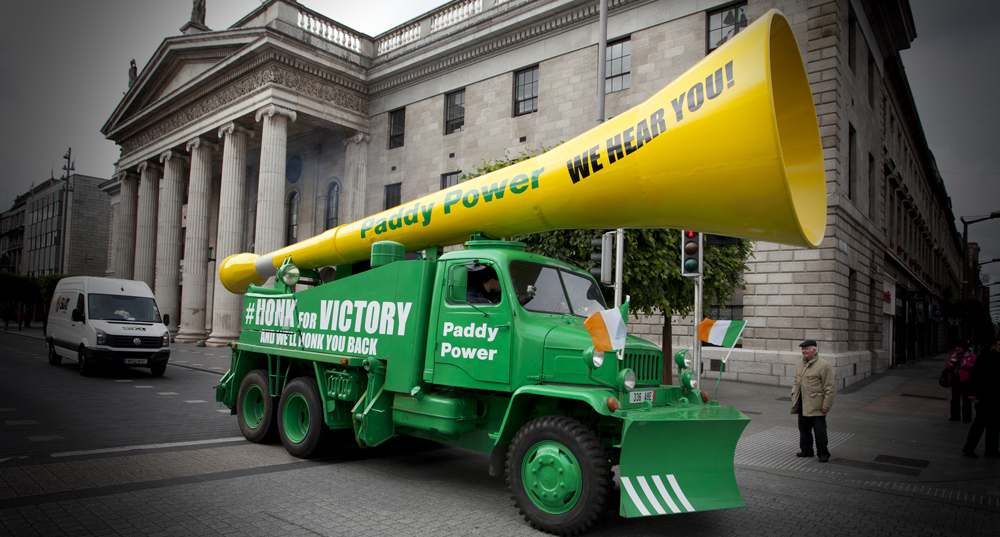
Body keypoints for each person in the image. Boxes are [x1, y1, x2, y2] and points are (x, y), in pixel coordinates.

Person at [791, 339, 836, 462]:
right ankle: (806, 450)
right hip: (802, 403)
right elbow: (796, 381)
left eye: (806, 349)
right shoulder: (800, 363)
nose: (803, 351)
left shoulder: (823, 365)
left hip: (816, 404)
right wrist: (794, 394)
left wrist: (827, 404)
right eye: (802, 349)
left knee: (819, 431)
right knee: (804, 429)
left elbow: (830, 387)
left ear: (814, 350)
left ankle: (823, 453)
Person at [963, 337, 999, 458]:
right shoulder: (985, 357)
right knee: (980, 422)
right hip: (984, 395)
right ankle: (969, 448)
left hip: (996, 397)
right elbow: (975, 375)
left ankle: (992, 449)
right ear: (994, 346)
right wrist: (972, 392)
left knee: (994, 425)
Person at [946, 342, 977, 423]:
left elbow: (976, 366)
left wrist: (966, 365)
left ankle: (966, 418)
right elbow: (948, 366)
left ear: (964, 348)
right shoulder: (954, 356)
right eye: (956, 347)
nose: (957, 349)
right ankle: (955, 416)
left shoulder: (971, 356)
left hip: (966, 380)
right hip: (956, 379)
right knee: (955, 399)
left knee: (966, 400)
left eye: (959, 347)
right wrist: (950, 366)